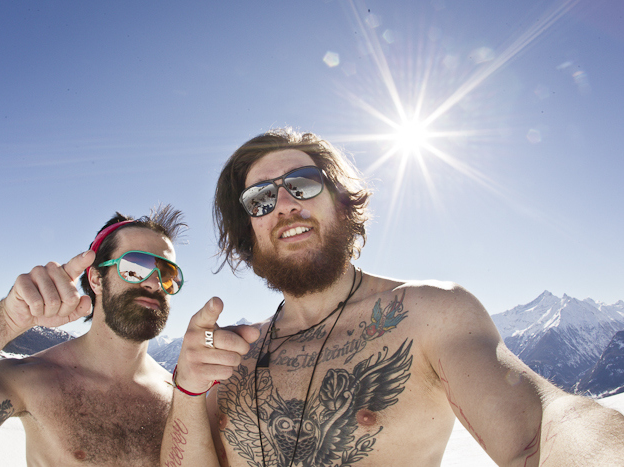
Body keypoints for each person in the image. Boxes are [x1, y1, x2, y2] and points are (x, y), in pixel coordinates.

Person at [162, 129, 624, 467]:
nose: (284, 204)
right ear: (249, 231)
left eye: (303, 183)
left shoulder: (429, 314)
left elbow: (543, 424)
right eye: (260, 199)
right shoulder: (231, 358)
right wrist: (187, 390)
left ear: (341, 201)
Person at [0, 207, 186, 466]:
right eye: (135, 267)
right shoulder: (32, 379)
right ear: (96, 279)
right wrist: (4, 322)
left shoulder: (179, 398)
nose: (154, 282)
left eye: (167, 274)